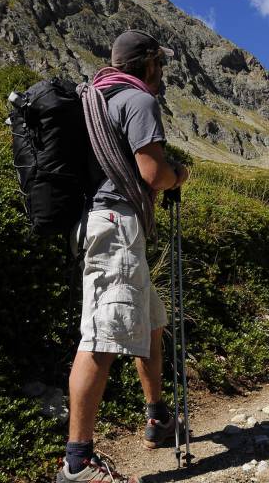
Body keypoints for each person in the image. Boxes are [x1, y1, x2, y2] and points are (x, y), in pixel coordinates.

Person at [57, 29, 189, 483]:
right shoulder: (139, 101)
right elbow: (153, 173)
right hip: (115, 227)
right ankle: (78, 462)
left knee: (150, 321)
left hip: (100, 223)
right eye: (161, 63)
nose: (164, 71)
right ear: (148, 63)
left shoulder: (97, 95)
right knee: (101, 335)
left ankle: (158, 417)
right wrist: (179, 176)